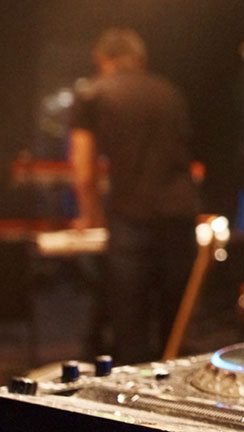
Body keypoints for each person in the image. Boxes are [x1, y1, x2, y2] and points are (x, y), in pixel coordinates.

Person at [70, 28, 198, 364]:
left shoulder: (92, 94)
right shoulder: (169, 92)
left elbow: (83, 170)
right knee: (176, 327)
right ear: (140, 61)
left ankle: (131, 410)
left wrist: (90, 215)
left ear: (101, 60)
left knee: (130, 328)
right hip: (181, 215)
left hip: (131, 218)